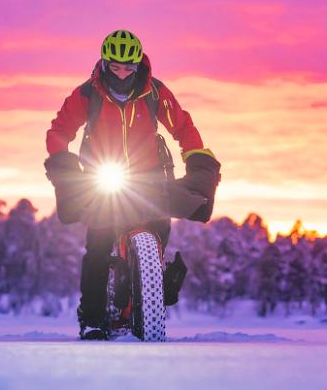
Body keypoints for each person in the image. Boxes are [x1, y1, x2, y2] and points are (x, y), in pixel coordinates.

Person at [45, 29, 220, 339]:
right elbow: (59, 130)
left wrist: (196, 157)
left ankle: (155, 288)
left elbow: (182, 126)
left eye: (129, 67)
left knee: (158, 236)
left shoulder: (155, 93)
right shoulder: (87, 95)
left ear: (139, 64)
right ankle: (93, 320)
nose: (123, 73)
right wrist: (63, 160)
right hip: (103, 175)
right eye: (116, 67)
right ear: (104, 63)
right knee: (98, 247)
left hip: (149, 175)